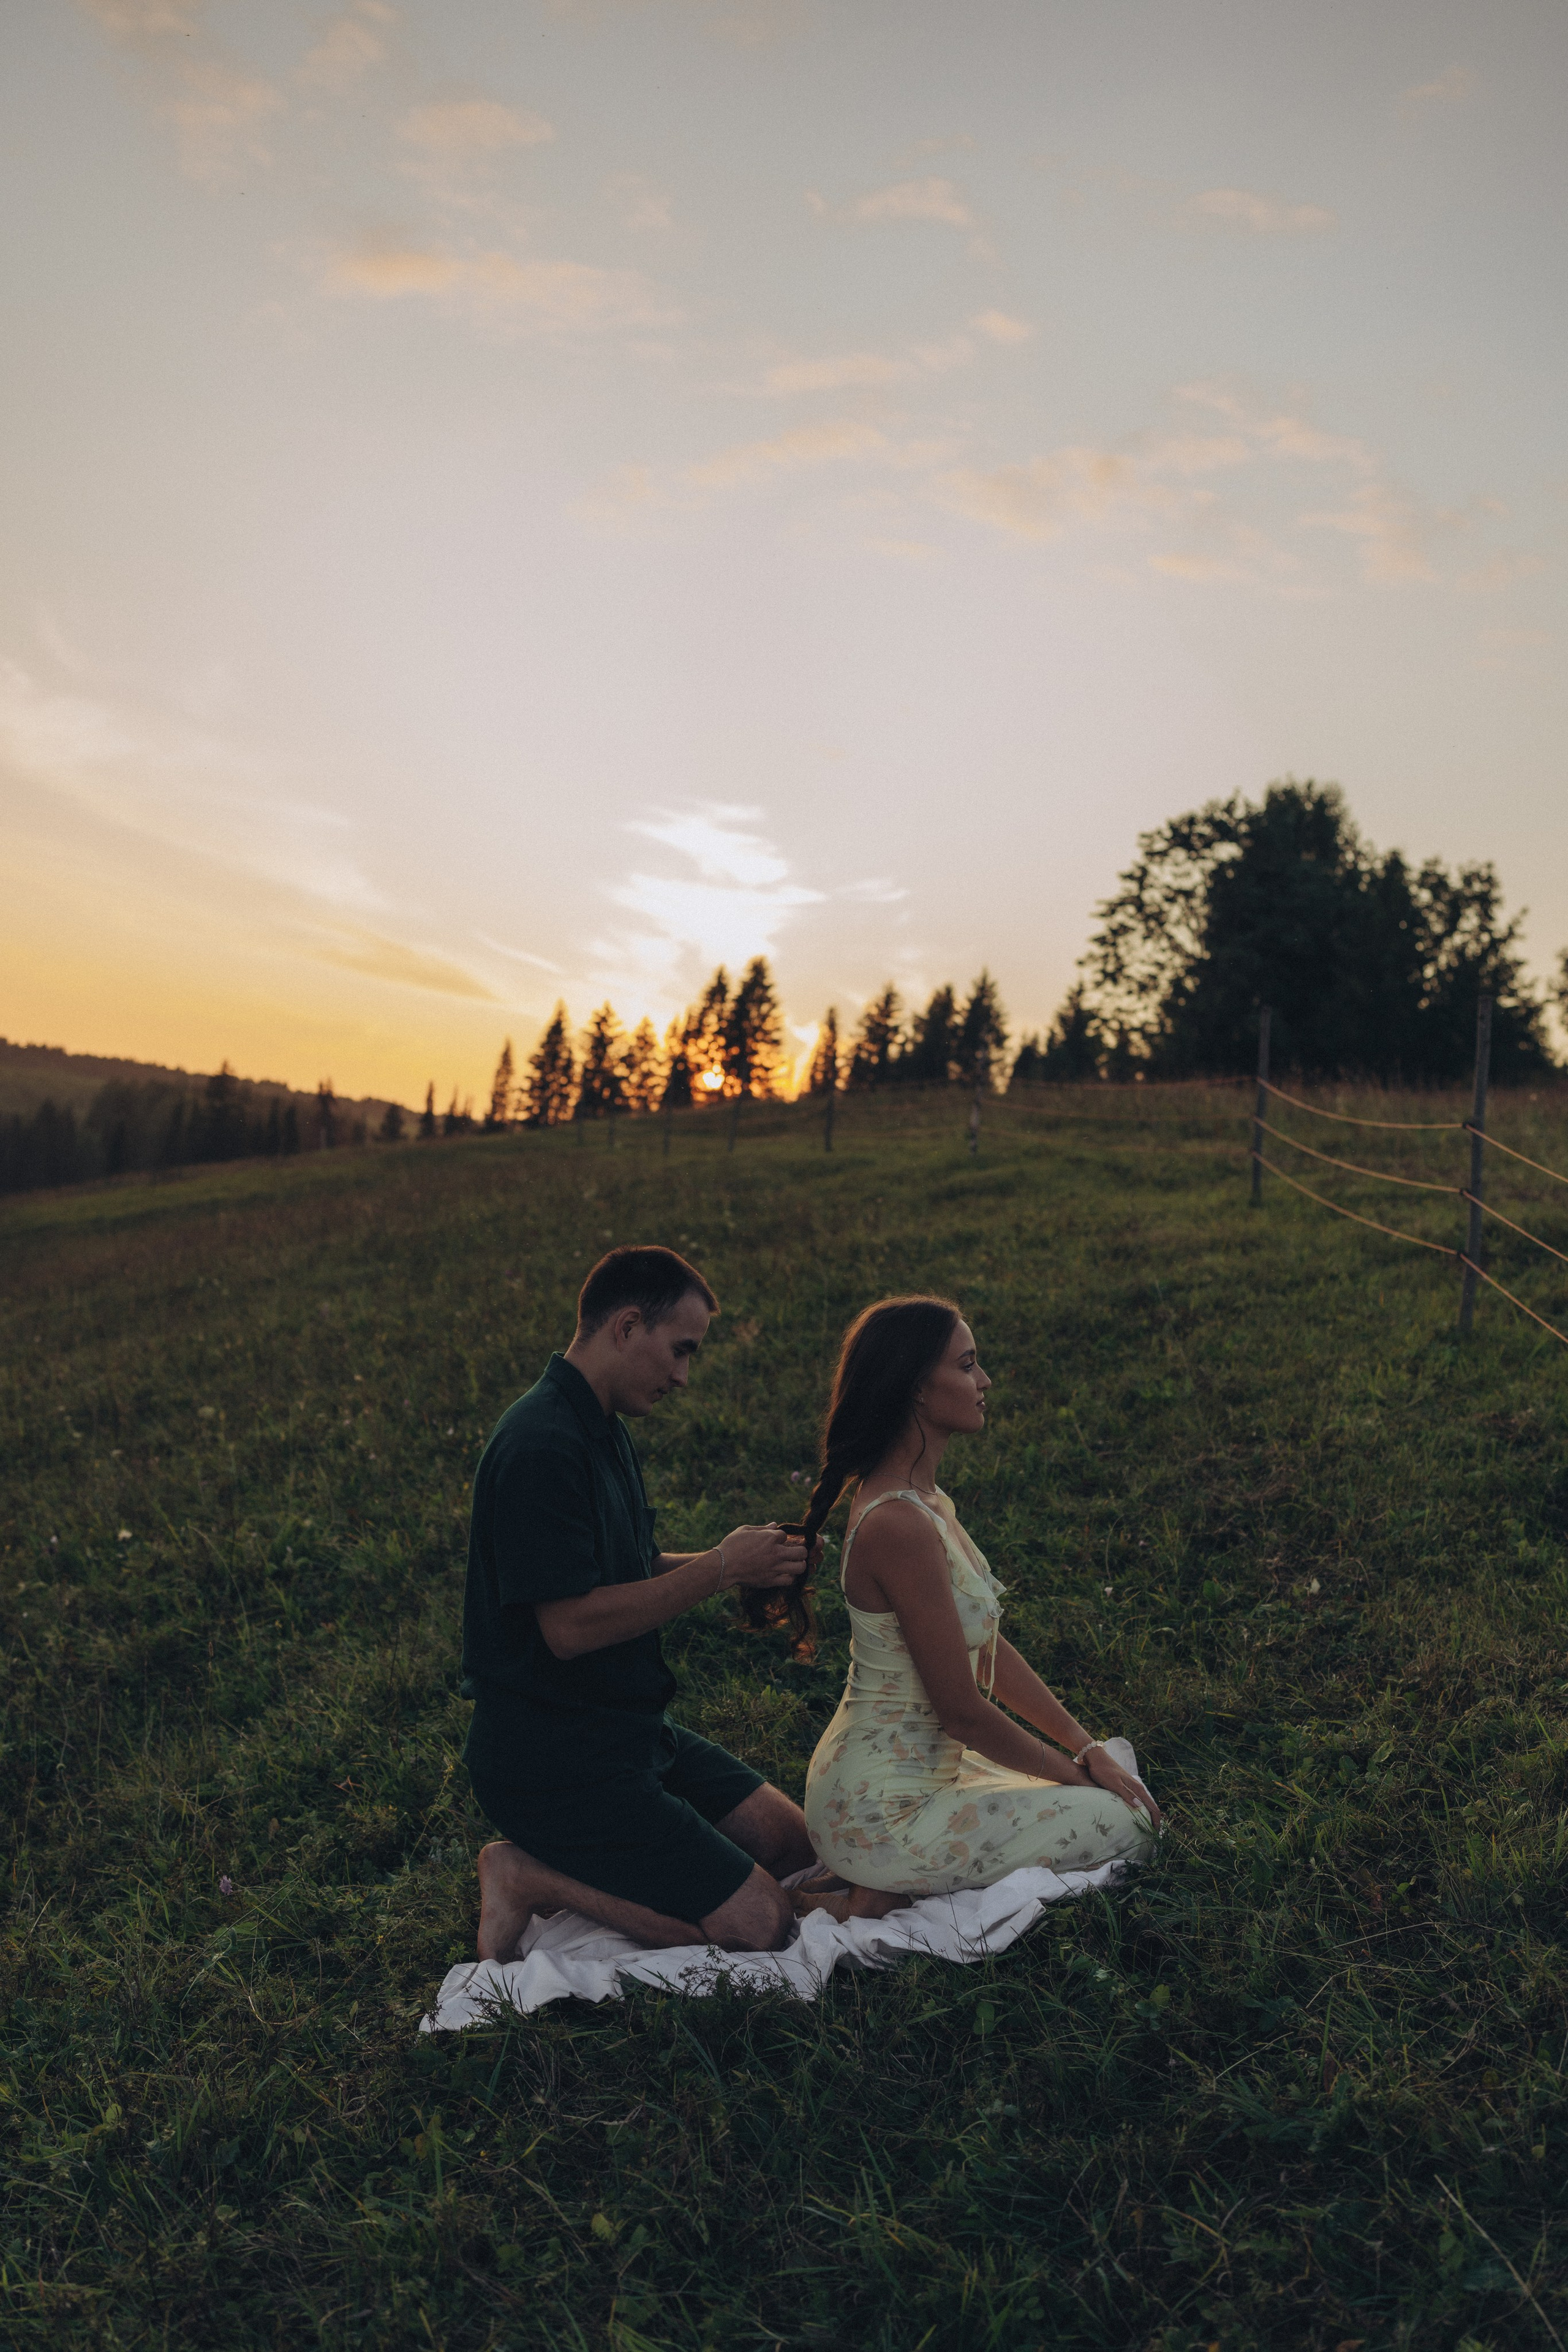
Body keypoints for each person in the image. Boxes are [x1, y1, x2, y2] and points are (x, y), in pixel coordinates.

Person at [462, 1245, 815, 1961]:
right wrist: (718, 1567)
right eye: (680, 1351)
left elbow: (634, 1569)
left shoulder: (602, 1427)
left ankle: (655, 1853)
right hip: (553, 1762)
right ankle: (526, 1875)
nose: (684, 1377)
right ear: (626, 1327)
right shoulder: (541, 1445)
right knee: (762, 1926)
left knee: (797, 1843)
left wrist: (745, 1565)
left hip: (626, 1732)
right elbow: (568, 1626)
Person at [796, 1296, 1160, 1919]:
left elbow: (985, 1649)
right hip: (881, 1806)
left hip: (910, 1776)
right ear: (915, 1388)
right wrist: (1075, 1779)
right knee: (1131, 1826)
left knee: (1117, 1783)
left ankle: (883, 1885)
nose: (984, 1382)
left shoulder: (924, 1501)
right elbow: (963, 1713)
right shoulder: (898, 1525)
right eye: (967, 1366)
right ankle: (864, 1890)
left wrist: (1084, 1747)